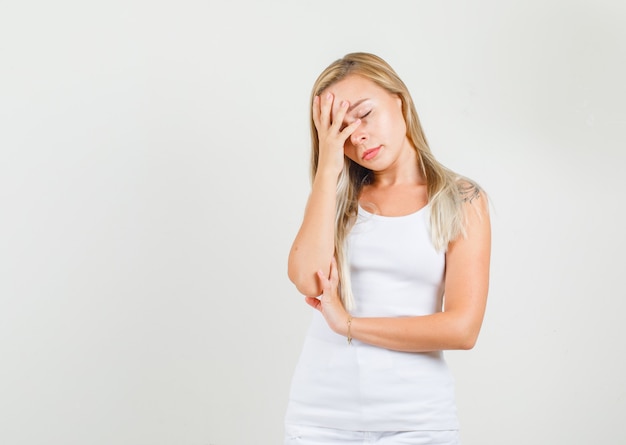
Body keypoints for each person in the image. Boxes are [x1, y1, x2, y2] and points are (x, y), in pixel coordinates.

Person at [284, 52, 491, 445]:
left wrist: (350, 325)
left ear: (400, 100)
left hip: (417, 420)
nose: (356, 135)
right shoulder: (338, 202)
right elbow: (308, 280)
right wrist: (328, 168)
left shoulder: (460, 199)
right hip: (320, 417)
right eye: (340, 130)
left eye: (364, 114)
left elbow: (463, 328)